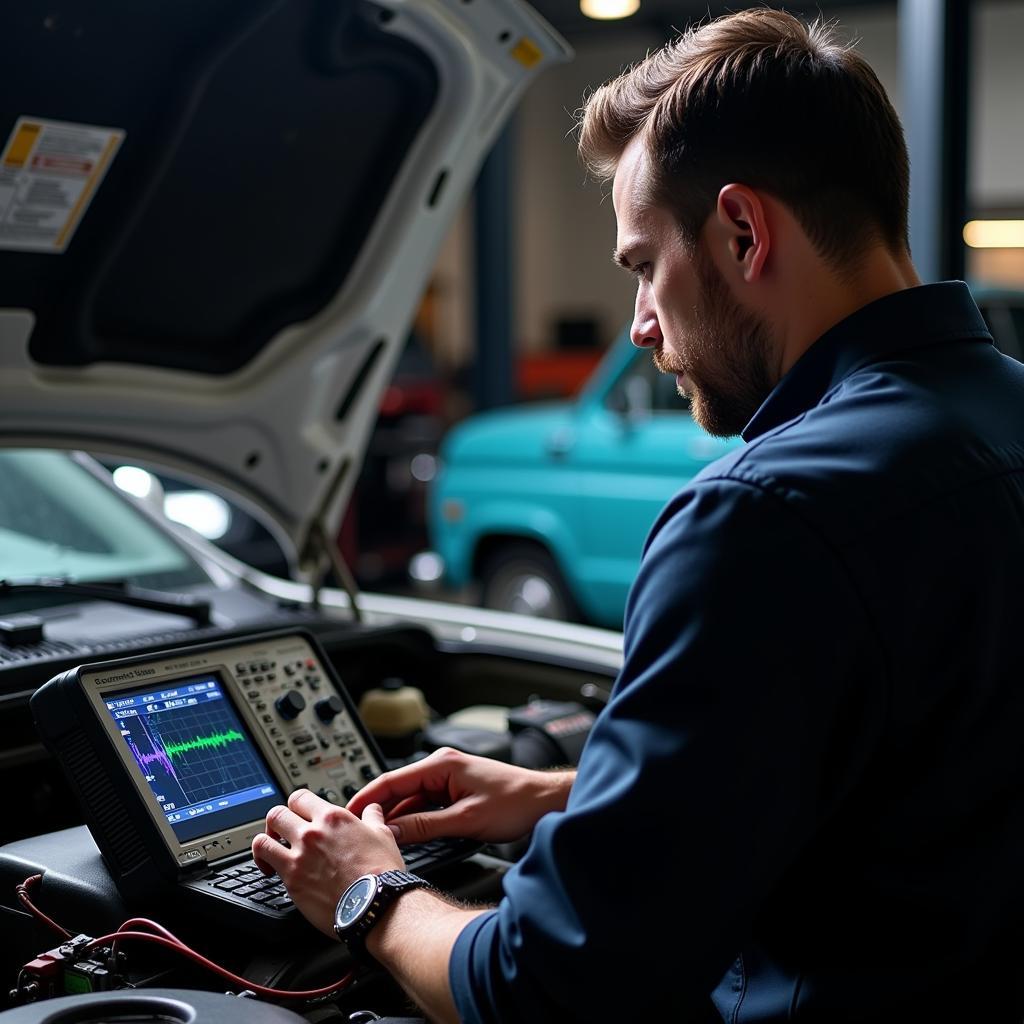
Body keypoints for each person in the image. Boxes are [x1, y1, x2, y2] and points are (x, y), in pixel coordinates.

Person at [252, 9, 1024, 1022]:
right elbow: (917, 780)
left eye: (642, 265)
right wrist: (564, 795)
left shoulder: (765, 517)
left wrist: (366, 888)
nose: (641, 325)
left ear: (743, 231)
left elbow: (548, 986)